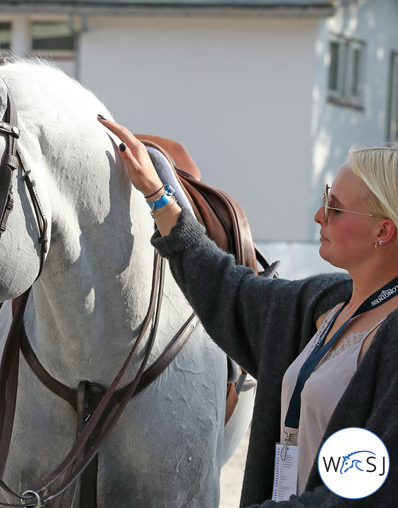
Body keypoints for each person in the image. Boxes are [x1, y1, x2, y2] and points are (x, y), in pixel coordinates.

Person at [99, 116, 398, 506]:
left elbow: (372, 494)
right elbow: (229, 291)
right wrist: (159, 197)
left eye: (335, 208)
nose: (319, 216)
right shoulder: (324, 302)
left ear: (383, 232)